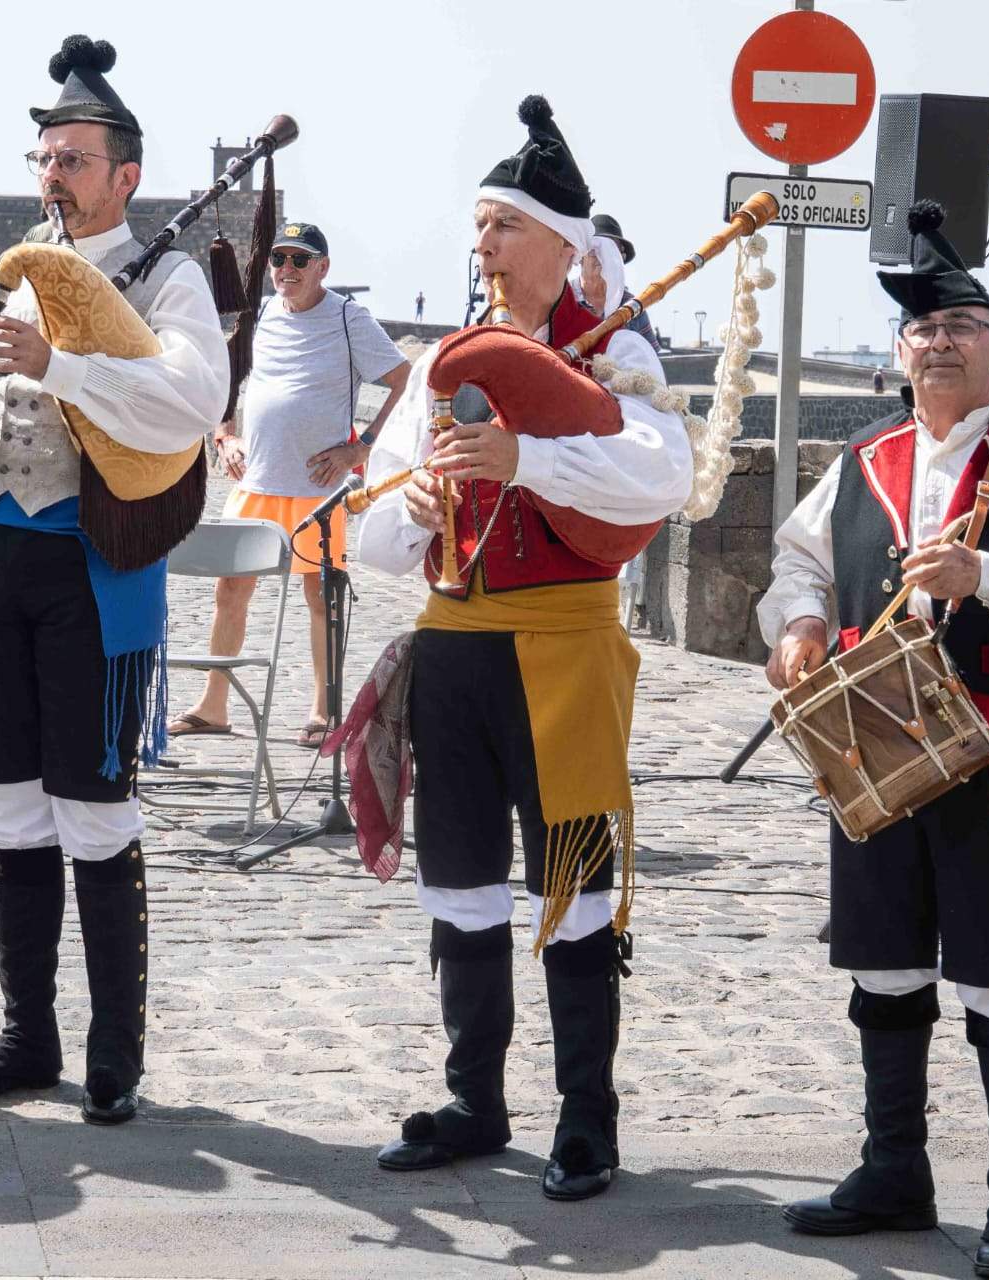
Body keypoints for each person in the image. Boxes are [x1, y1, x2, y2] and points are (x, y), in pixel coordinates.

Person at [760, 201, 989, 1280]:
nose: (940, 340)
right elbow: (800, 565)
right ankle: (892, 1169)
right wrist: (797, 626)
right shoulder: (862, 457)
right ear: (897, 352)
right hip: (872, 738)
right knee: (879, 957)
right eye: (922, 328)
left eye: (962, 322)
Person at [349, 96, 693, 1194]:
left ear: (560, 243)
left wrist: (523, 457)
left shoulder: (621, 354)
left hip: (564, 652)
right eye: (478, 226)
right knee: (457, 877)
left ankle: (586, 1116)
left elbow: (659, 480)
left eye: (502, 225)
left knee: (575, 882)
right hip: (452, 647)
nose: (482, 246)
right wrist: (419, 499)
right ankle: (472, 1098)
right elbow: (373, 532)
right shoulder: (449, 359)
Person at [0, 33, 227, 1126]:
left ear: (124, 174)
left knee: (92, 804)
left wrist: (63, 363)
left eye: (75, 157)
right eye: (45, 155)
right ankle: (26, 1035)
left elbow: (191, 405)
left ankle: (113, 1050)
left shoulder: (168, 276)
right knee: (2, 795)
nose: (54, 173)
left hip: (94, 558)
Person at [177, 221, 409, 745]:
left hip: (316, 489)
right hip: (256, 480)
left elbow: (402, 379)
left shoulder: (350, 318)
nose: (286, 270)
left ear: (323, 268)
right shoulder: (258, 315)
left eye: (300, 261)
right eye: (280, 259)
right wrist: (223, 433)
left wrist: (361, 448)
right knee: (230, 590)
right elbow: (227, 377)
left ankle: (325, 711)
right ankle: (213, 705)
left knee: (321, 596)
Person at [579, 213, 656, 349]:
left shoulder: (634, 308)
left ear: (620, 260)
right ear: (580, 255)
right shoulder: (560, 297)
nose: (602, 256)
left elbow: (650, 361)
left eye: (610, 250)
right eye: (596, 249)